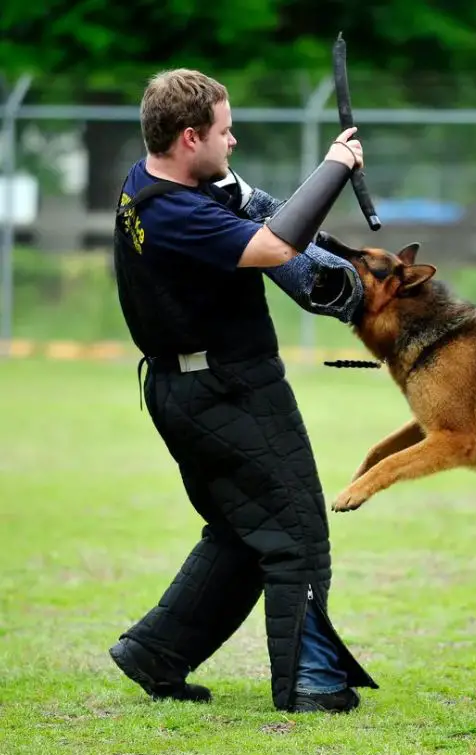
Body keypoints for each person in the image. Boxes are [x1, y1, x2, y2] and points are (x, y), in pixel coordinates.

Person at [108, 68, 378, 714]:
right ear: (190, 137)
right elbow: (276, 244)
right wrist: (336, 166)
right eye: (225, 132)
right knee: (297, 536)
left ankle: (157, 652)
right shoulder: (174, 212)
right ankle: (311, 680)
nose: (234, 141)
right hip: (228, 391)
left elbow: (244, 213)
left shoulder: (146, 182)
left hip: (191, 388)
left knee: (240, 530)